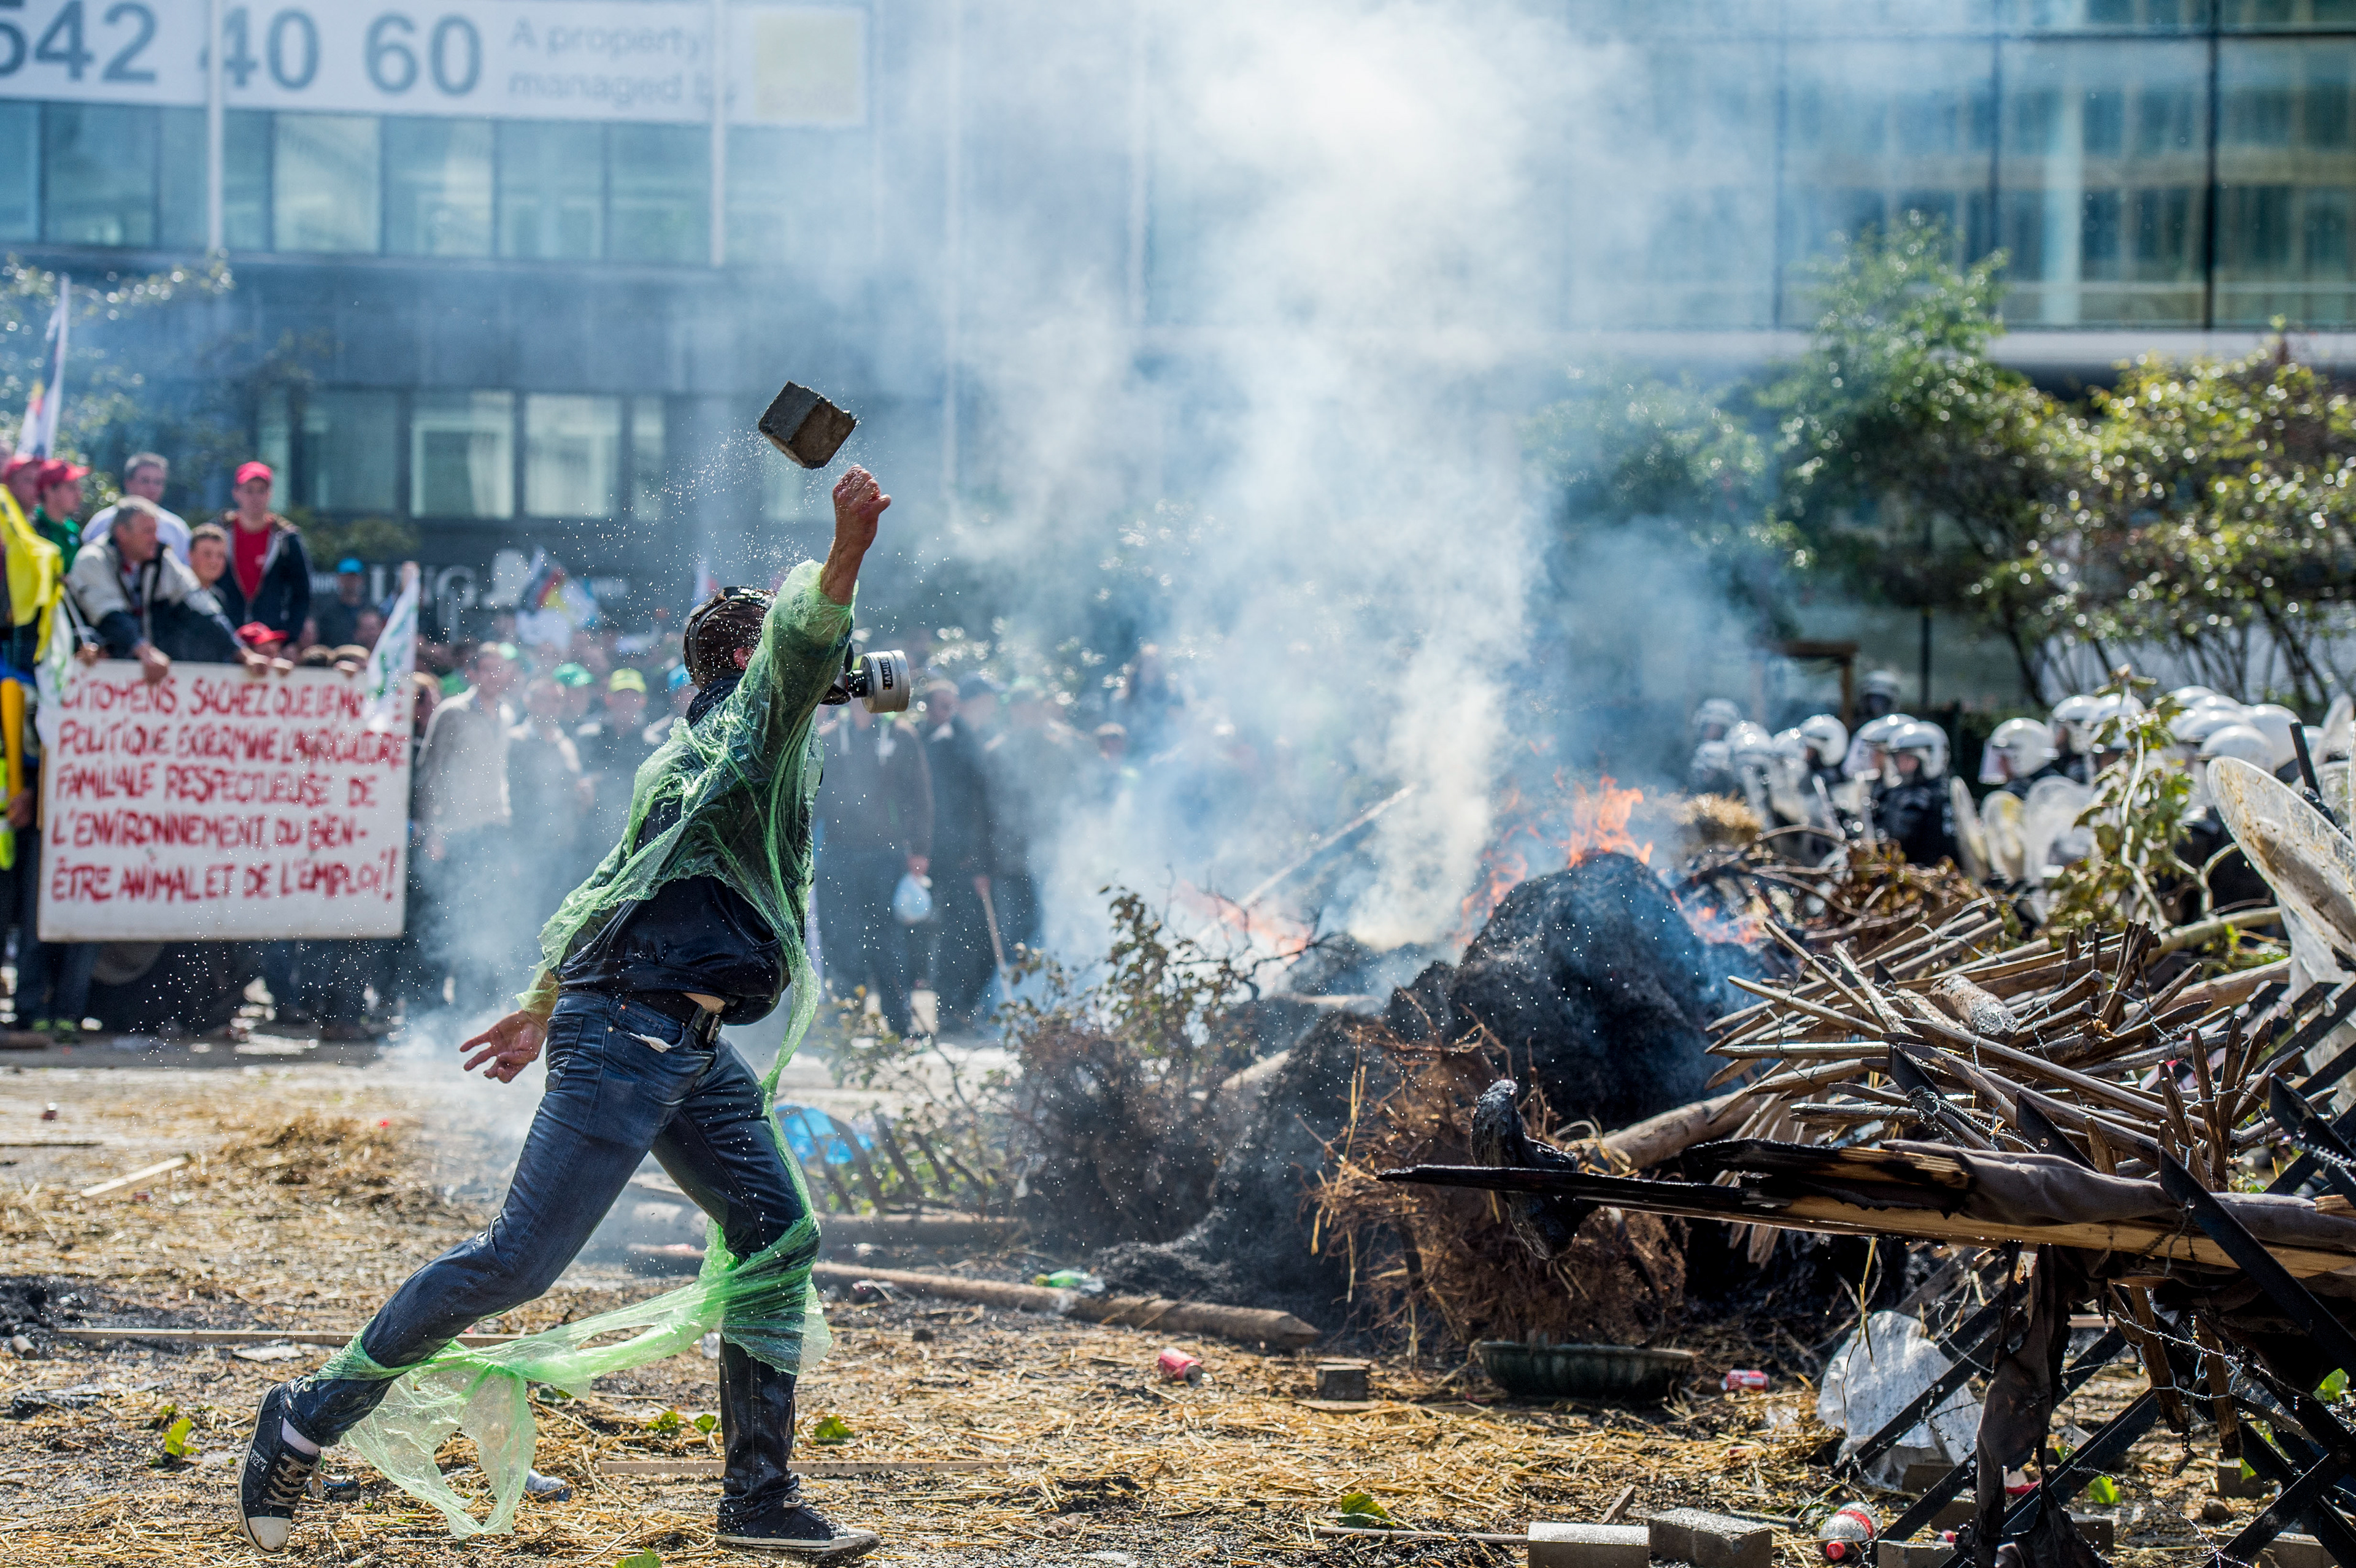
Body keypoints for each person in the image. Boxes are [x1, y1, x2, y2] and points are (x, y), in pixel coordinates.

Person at [237, 466, 895, 1562]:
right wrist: (848, 547)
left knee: (778, 1234)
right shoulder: (741, 729)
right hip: (631, 1036)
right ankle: (307, 1416)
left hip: (684, 1044)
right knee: (517, 1264)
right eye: (786, 650)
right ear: (751, 659)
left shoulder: (713, 756)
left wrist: (542, 998)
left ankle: (758, 1502)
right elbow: (809, 637)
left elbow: (610, 885)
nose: (822, 664)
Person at [816, 674, 933, 1038]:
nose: (860, 700)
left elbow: (919, 797)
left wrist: (920, 849)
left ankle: (898, 1022)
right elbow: (812, 800)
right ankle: (845, 1023)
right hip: (838, 854)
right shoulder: (828, 738)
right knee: (842, 939)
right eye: (854, 694)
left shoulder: (901, 736)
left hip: (887, 855)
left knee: (888, 941)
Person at [411, 642, 522, 1013]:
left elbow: (501, 777)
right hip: (455, 829)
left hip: (492, 828)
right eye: (488, 669)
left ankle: (469, 1004)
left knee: (483, 915)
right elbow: (429, 773)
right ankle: (427, 1005)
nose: (496, 676)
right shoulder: (452, 712)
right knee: (444, 917)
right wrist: (432, 830)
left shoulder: (507, 713)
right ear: (471, 673)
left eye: (501, 669)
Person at [66, 497, 255, 674]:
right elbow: (110, 615)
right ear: (122, 533)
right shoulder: (93, 559)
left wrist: (243, 654)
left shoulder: (161, 560)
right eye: (148, 531)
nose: (155, 539)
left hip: (148, 671)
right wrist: (144, 652)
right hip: (100, 670)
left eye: (155, 531)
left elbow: (199, 604)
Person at [919, 679, 998, 1031]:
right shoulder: (939, 743)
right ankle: (949, 1010)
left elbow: (980, 805)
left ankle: (962, 1008)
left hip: (967, 858)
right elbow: (947, 806)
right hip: (945, 857)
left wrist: (980, 860)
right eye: (943, 705)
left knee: (967, 936)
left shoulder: (971, 740)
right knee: (952, 936)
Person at [508, 675, 590, 915]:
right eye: (544, 699)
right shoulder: (515, 741)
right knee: (525, 912)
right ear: (530, 702)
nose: (551, 706)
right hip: (527, 845)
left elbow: (574, 791)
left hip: (563, 844)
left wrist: (583, 794)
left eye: (557, 701)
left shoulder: (566, 744)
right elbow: (508, 796)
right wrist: (512, 850)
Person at [215, 461, 312, 641]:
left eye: (262, 490)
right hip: (225, 640)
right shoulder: (218, 534)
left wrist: (288, 639)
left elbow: (302, 594)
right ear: (236, 493)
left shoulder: (287, 538)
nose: (256, 497)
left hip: (270, 642)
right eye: (249, 490)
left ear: (270, 494)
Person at [1873, 720, 1958, 866]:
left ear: (1930, 757)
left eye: (1908, 758)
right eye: (1898, 758)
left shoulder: (1927, 797)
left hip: (1928, 873)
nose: (1900, 765)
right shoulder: (1896, 793)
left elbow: (1898, 842)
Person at [83, 452, 191, 563]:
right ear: (128, 483)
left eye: (158, 482)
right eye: (145, 481)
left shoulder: (176, 529)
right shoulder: (102, 523)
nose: (152, 488)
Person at [1979, 717, 2065, 799]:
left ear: (2024, 754)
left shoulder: (2016, 790)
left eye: (2004, 757)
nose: (2000, 763)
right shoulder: (2058, 781)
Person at [28, 458, 87, 558]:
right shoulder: (31, 530)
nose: (79, 495)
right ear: (49, 491)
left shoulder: (73, 530)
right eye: (71, 488)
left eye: (79, 488)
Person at [312, 557, 369, 648]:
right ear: (339, 579)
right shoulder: (328, 612)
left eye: (354, 577)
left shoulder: (369, 610)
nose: (350, 581)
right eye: (347, 578)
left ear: (361, 579)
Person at [188, 521, 229, 596]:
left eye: (220, 555)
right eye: (207, 554)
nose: (214, 561)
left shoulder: (219, 597)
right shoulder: (175, 595)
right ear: (190, 555)